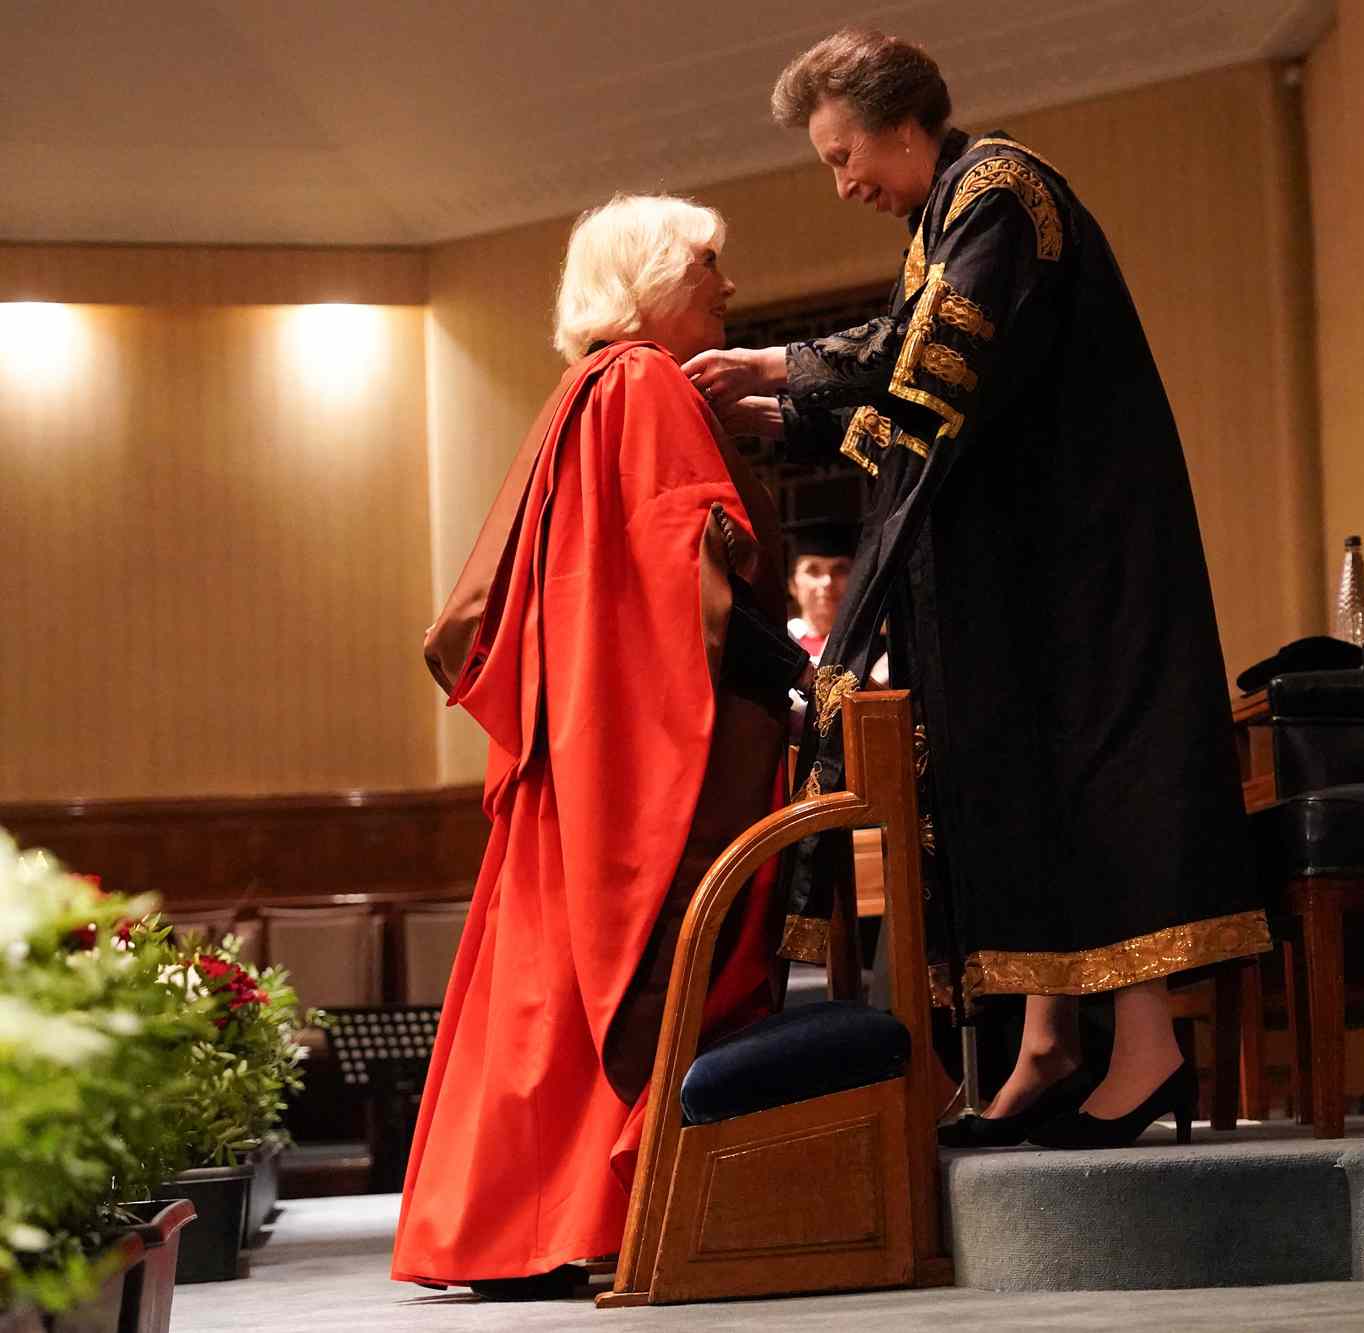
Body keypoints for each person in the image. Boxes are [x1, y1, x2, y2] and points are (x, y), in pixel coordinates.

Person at [688, 28, 1269, 1149]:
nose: (841, 180)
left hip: (1083, 558)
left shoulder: (1000, 190)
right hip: (1024, 562)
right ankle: (1045, 1045)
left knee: (1086, 779)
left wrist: (780, 369)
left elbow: (934, 354)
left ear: (904, 125)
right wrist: (790, 413)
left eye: (841, 153)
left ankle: (1141, 1052)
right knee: (1022, 784)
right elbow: (923, 404)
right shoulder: (942, 216)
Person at [391, 195, 807, 1299]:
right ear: (647, 278)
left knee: (543, 986)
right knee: (612, 978)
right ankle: (586, 1214)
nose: (726, 284)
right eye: (707, 263)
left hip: (578, 752)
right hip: (629, 752)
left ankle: (516, 1227)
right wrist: (800, 677)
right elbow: (692, 565)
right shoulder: (644, 384)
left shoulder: (585, 389)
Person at [783, 517, 858, 663]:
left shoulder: (873, 646)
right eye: (813, 570)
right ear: (792, 584)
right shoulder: (780, 642)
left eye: (840, 569)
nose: (827, 581)